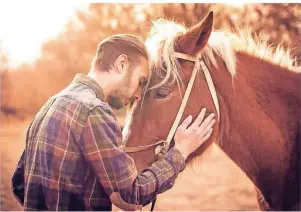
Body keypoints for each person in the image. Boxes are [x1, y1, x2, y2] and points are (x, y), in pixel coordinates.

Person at [11, 34, 216, 211]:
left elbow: (19, 184)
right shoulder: (95, 111)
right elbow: (132, 195)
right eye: (141, 81)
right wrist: (179, 152)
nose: (138, 95)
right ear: (121, 64)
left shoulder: (51, 104)